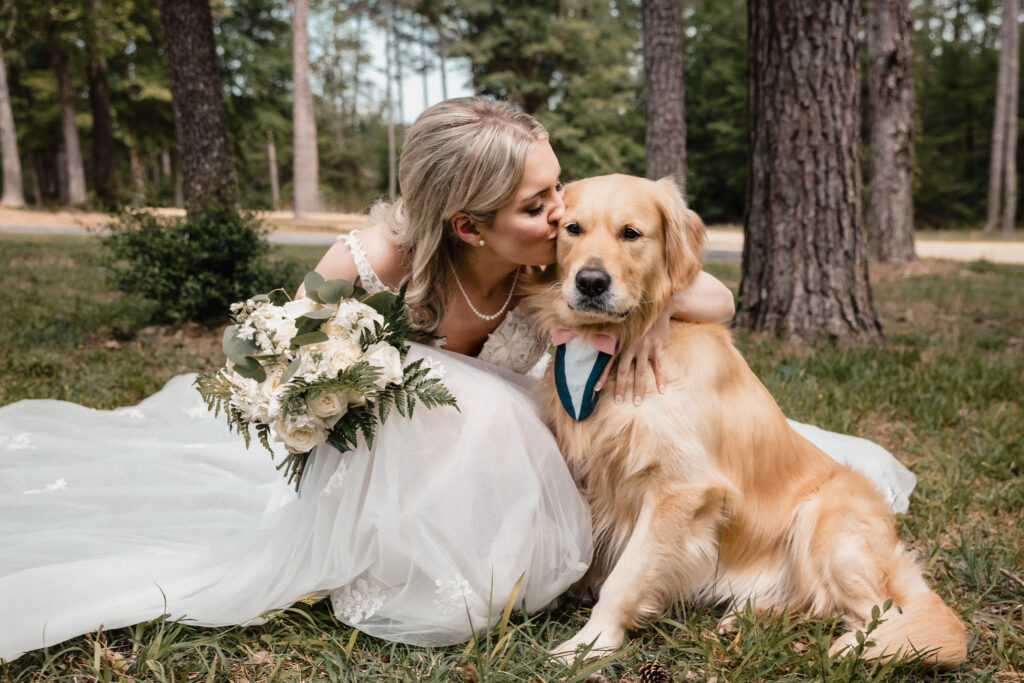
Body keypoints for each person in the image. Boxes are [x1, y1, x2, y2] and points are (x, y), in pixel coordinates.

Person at [0, 97, 915, 662]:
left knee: (502, 413)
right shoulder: (383, 257)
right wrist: (310, 383)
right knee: (476, 408)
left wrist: (653, 311)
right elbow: (258, 354)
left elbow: (695, 280)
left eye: (555, 188)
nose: (562, 214)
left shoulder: (547, 266)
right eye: (540, 203)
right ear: (471, 226)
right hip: (402, 449)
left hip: (507, 457)